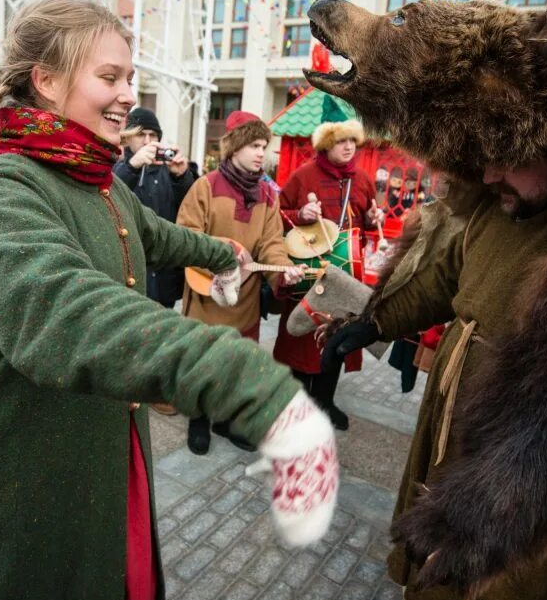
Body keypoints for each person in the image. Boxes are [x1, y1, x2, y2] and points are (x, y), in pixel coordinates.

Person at [0, 0, 338, 600]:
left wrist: (222, 252)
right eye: (108, 78)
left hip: (105, 454)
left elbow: (157, 235)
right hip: (24, 475)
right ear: (47, 81)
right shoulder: (3, 186)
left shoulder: (100, 179)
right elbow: (62, 310)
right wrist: (242, 381)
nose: (124, 95)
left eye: (128, 78)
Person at [322, 144, 547, 600]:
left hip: (542, 460)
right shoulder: (496, 206)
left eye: (512, 154)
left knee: (504, 594)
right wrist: (377, 322)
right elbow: (447, 279)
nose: (490, 170)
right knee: (436, 574)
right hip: (457, 420)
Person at [176, 110, 304, 455]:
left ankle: (227, 420)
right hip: (206, 296)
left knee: (236, 364)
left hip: (244, 299)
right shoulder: (204, 186)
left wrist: (283, 268)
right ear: (234, 149)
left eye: (264, 145)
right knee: (203, 360)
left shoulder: (268, 195)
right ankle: (198, 418)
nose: (261, 152)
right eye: (253, 145)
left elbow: (272, 243)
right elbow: (186, 234)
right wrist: (223, 253)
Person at [273, 101, 382, 430]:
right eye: (340, 140)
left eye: (352, 140)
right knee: (302, 341)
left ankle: (324, 402)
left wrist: (373, 218)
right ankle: (297, 408)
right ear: (325, 143)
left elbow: (366, 220)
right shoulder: (302, 176)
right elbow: (276, 216)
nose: (348, 146)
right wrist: (298, 216)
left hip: (346, 278)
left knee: (336, 341)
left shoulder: (362, 179)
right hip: (310, 274)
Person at [114, 107, 196, 310]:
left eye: (153, 135)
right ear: (127, 137)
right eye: (141, 134)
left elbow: (189, 208)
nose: (148, 141)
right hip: (130, 270)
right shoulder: (117, 167)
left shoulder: (168, 170)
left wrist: (181, 177)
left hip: (164, 271)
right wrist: (133, 166)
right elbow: (110, 195)